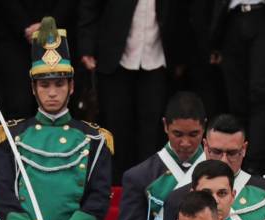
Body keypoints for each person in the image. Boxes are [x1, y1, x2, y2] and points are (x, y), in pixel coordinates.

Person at [0, 16, 112, 220]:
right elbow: (4, 193)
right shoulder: (8, 137)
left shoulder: (95, 138)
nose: (52, 93)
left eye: (59, 84)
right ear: (33, 88)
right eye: (44, 85)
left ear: (72, 86)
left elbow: (98, 196)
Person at [78, 0, 188, 182]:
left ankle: (148, 187)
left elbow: (181, 13)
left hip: (158, 58)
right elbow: (89, 6)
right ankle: (115, 188)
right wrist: (86, 46)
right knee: (116, 127)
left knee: (152, 130)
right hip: (115, 55)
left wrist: (182, 56)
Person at [115, 91, 207, 220]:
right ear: (165, 126)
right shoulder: (140, 177)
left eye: (194, 134)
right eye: (178, 134)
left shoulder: (217, 171)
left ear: (204, 127)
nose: (186, 143)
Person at [208, 0, 265, 182]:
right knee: (237, 100)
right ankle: (238, 164)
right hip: (231, 18)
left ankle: (254, 168)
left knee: (263, 94)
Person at [0, 0, 77, 119]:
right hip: (15, 43)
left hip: (61, 38)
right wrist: (26, 27)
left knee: (61, 103)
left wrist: (47, 25)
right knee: (19, 104)